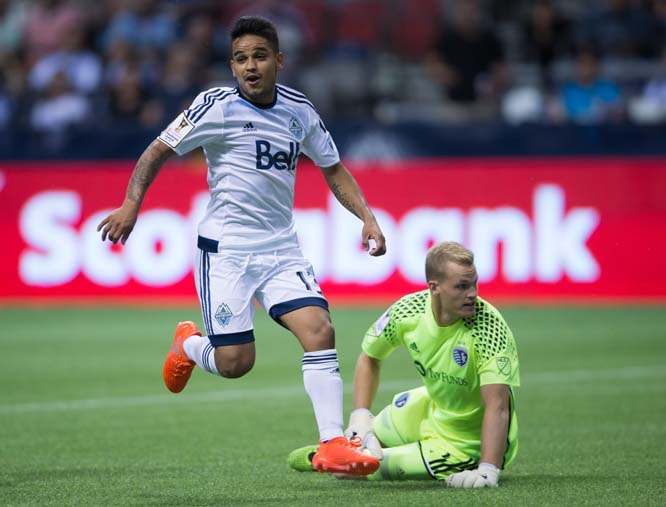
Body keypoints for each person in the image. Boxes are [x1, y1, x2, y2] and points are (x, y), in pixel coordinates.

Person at [97, 15, 386, 477]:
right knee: (235, 364)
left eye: (259, 56)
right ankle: (189, 344)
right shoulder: (215, 106)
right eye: (240, 58)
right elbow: (157, 150)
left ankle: (331, 443)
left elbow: (333, 168)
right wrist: (131, 205)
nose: (249, 66)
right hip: (226, 252)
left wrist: (367, 217)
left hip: (280, 249)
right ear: (232, 67)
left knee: (321, 331)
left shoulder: (300, 112)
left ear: (279, 60)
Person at [288, 242, 519, 487]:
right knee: (358, 440)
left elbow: (498, 406)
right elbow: (370, 357)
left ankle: (319, 458)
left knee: (352, 469)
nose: (472, 293)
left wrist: (487, 469)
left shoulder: (489, 328)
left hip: (464, 442)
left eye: (474, 283)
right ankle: (333, 450)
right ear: (435, 287)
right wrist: (360, 416)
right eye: (462, 286)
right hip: (429, 408)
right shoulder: (408, 310)